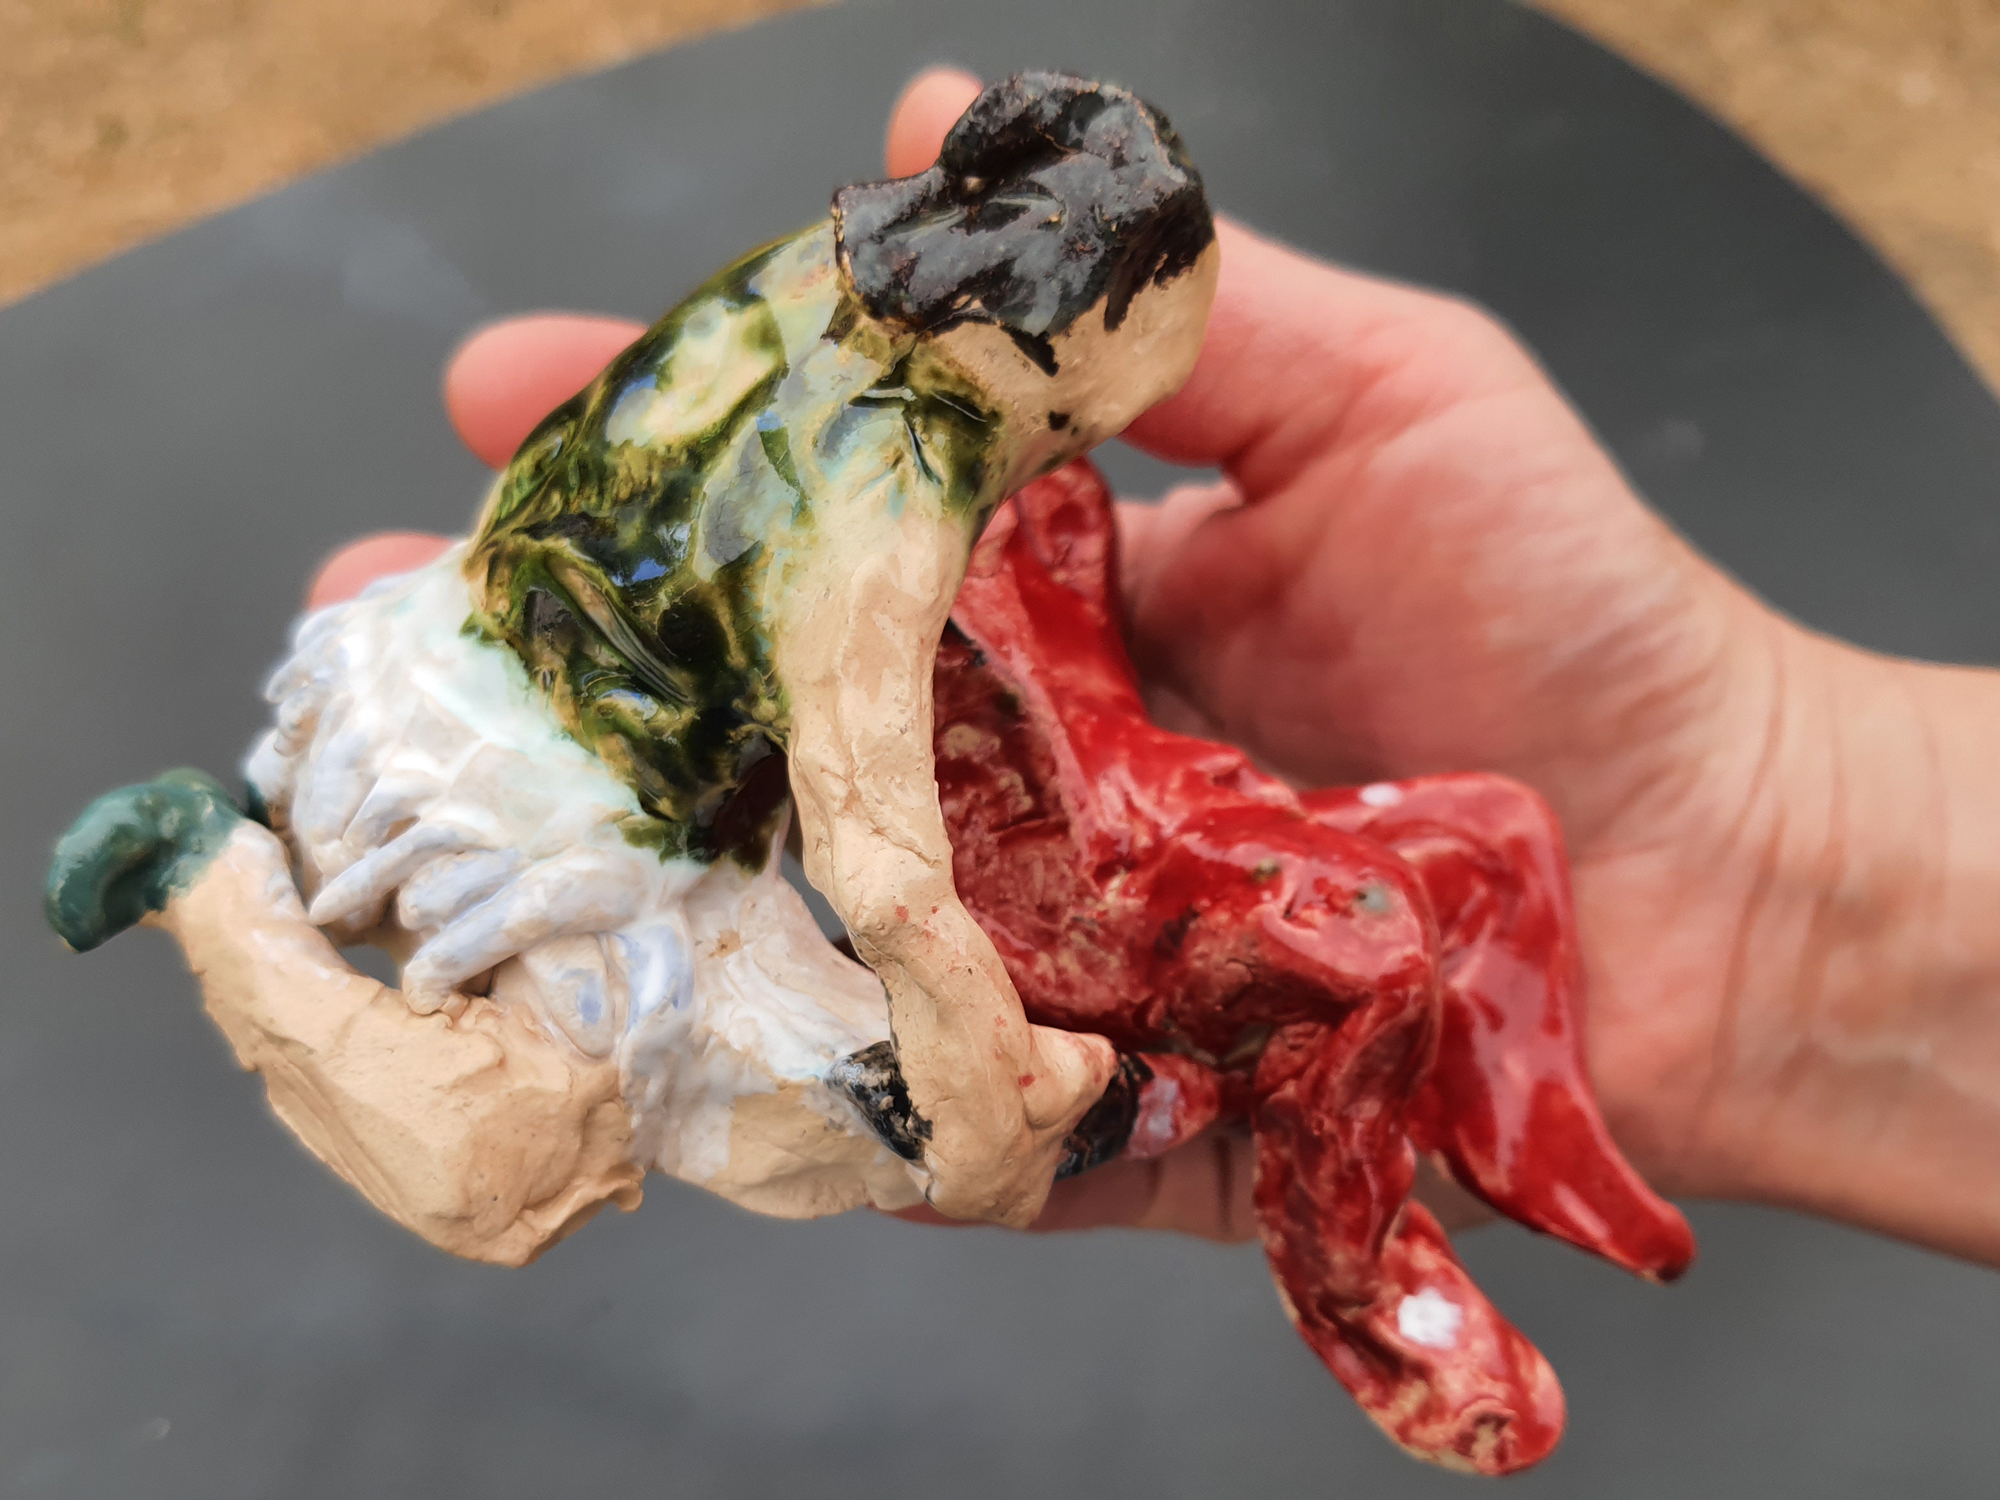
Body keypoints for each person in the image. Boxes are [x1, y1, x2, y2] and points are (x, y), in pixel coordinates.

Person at [311, 68, 2000, 1267]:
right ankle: (1351, 1272)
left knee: (1484, 835)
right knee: (812, 1102)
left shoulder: (810, 296)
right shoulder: (889, 506)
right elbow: (888, 874)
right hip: (615, 834)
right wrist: (984, 1111)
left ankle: (1461, 1153)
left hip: (500, 678)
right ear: (1050, 339)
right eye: (1099, 398)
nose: (1110, 432)